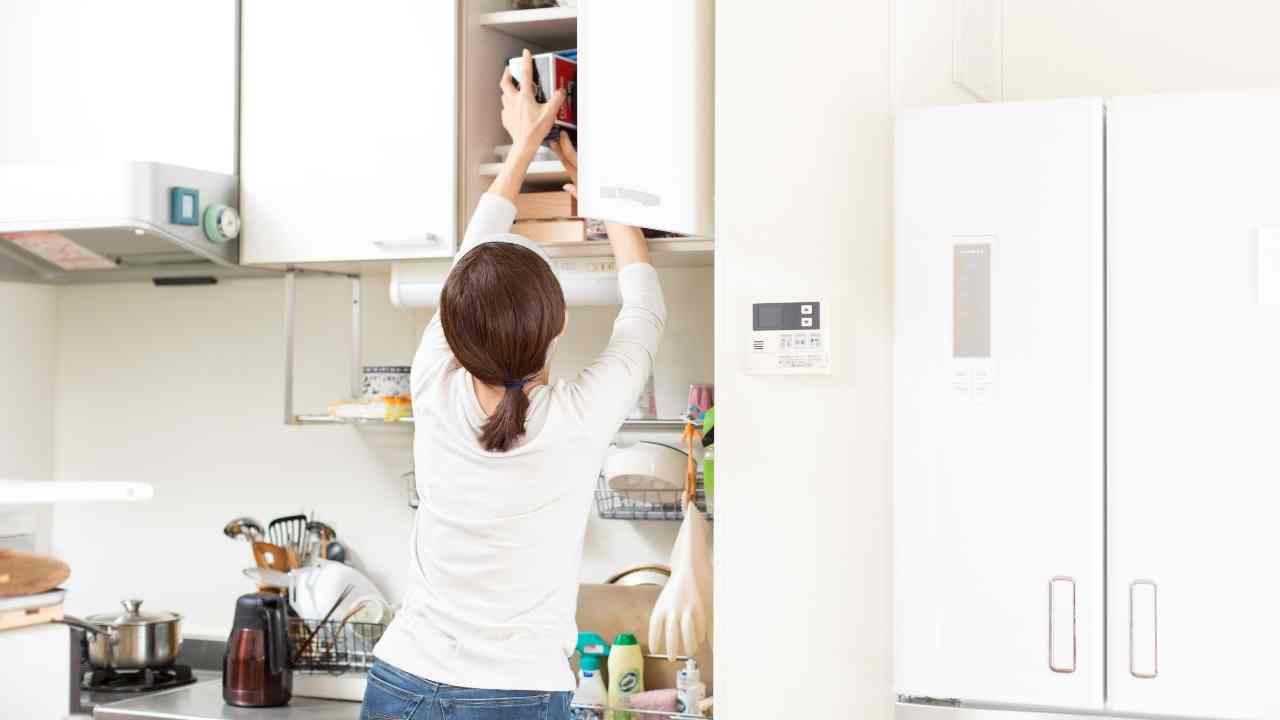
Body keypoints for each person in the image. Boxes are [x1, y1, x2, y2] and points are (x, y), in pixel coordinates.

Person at [361, 50, 666, 720]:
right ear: (555, 330)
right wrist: (601, 189)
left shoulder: (433, 379)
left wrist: (523, 142)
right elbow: (642, 311)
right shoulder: (579, 415)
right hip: (515, 695)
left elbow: (472, 254)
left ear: (453, 326)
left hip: (399, 680)